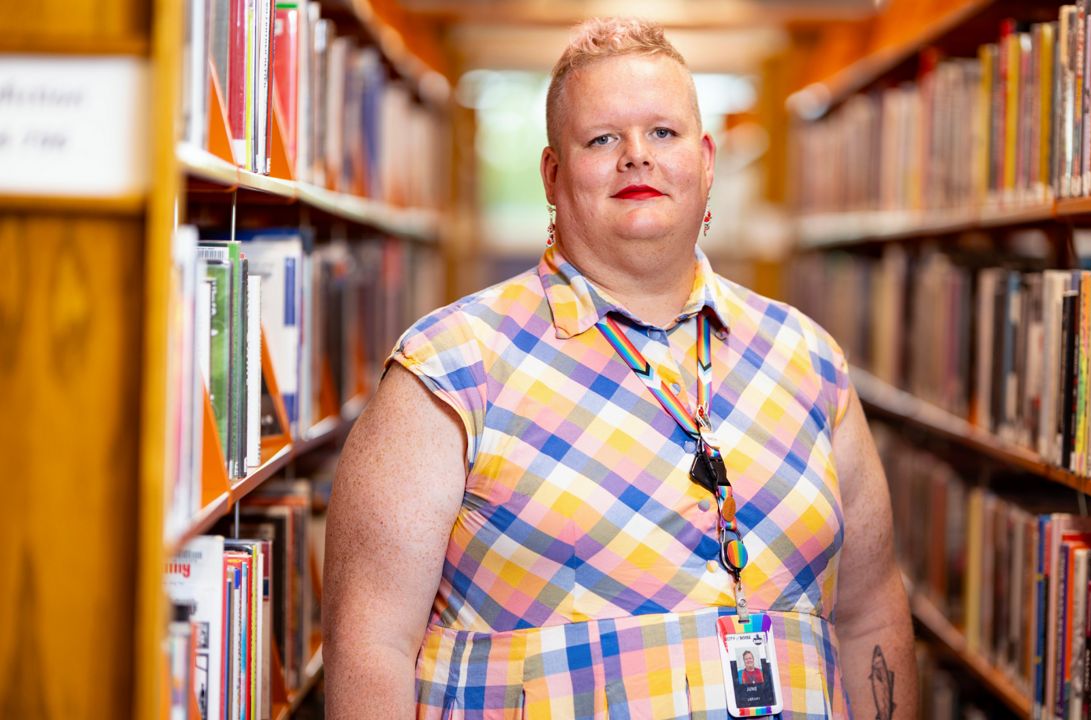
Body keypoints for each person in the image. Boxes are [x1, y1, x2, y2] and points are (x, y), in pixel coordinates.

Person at [324, 17, 916, 719]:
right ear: (552, 174)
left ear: (705, 160)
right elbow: (371, 644)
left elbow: (870, 617)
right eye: (602, 139)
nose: (637, 156)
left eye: (662, 133)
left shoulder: (810, 360)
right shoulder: (448, 368)